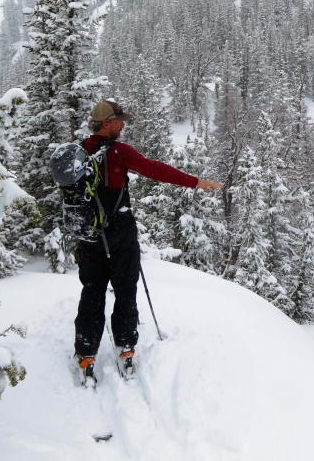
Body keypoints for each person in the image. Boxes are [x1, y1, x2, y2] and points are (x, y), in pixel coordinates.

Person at [75, 99, 221, 381]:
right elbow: (154, 169)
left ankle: (85, 353)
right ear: (106, 124)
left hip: (91, 236)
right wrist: (195, 181)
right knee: (126, 288)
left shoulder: (82, 152)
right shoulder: (117, 152)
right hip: (120, 234)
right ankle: (126, 346)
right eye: (119, 121)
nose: (123, 125)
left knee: (92, 291)